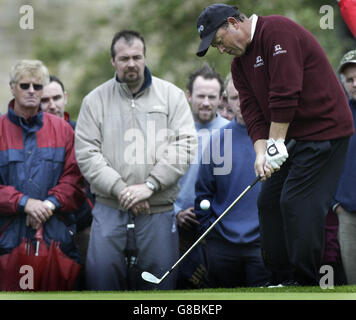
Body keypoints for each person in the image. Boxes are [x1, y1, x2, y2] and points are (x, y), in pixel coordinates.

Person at [196, 3, 354, 286]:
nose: (221, 50)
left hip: (326, 132)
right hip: (293, 138)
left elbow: (285, 92)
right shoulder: (239, 64)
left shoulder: (277, 31)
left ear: (233, 23)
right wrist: (261, 153)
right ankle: (280, 280)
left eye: (219, 42)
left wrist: (275, 144)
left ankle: (306, 282)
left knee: (296, 203)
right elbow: (253, 112)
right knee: (268, 202)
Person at [74, 30, 197, 291]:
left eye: (137, 57)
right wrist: (122, 190)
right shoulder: (94, 101)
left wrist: (150, 186)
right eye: (124, 58)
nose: (131, 63)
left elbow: (184, 146)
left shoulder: (172, 97)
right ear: (113, 61)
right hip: (109, 210)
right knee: (103, 285)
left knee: (158, 287)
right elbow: (87, 153)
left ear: (145, 57)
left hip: (158, 210)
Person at [0, 60, 85, 287]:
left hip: (56, 237)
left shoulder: (63, 130)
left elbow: (75, 180)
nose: (31, 91)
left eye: (37, 86)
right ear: (12, 87)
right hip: (7, 239)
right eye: (24, 85)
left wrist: (47, 205)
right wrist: (24, 203)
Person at [195, 83, 270, 288]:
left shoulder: (274, 138)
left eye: (249, 94)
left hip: (264, 243)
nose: (243, 102)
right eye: (236, 97)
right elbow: (203, 192)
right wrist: (210, 230)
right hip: (222, 245)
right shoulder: (218, 140)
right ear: (227, 101)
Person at [174, 64, 229, 289]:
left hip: (221, 231)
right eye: (200, 96)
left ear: (221, 98)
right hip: (179, 230)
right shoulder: (173, 133)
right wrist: (176, 213)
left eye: (212, 96)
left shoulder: (230, 132)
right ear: (188, 96)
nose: (206, 102)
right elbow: (161, 181)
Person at [41, 75, 94, 289]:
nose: (52, 105)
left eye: (56, 98)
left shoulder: (83, 134)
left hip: (82, 226)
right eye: (45, 100)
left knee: (84, 285)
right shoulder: (27, 137)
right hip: (41, 226)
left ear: (65, 98)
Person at [330, 50, 356, 284]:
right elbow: (326, 163)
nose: (355, 84)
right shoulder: (337, 116)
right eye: (349, 80)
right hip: (347, 214)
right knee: (352, 282)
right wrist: (335, 203)